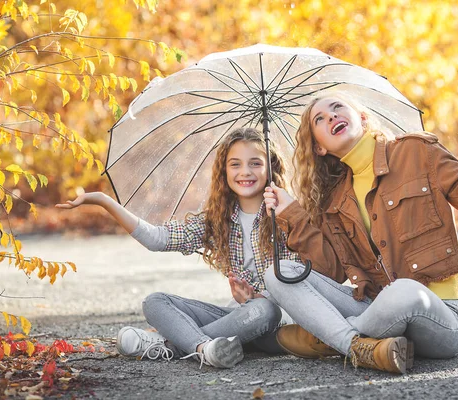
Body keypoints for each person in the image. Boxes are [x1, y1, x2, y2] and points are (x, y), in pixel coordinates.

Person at [263, 93, 458, 374]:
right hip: (378, 310)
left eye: (338, 107)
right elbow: (330, 270)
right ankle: (355, 345)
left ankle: (329, 338)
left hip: (442, 317)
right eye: (320, 119)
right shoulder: (333, 200)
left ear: (362, 118)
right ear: (319, 148)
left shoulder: (415, 152)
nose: (332, 117)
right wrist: (292, 214)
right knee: (278, 273)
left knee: (402, 290)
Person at [57, 127, 302, 368]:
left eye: (255, 163)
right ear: (224, 171)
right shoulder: (218, 220)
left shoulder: (288, 215)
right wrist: (104, 201)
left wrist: (258, 298)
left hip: (279, 325)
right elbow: (157, 239)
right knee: (155, 302)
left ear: (271, 167)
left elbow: (303, 284)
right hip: (237, 320)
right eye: (235, 164)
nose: (245, 172)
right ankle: (205, 349)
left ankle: (169, 344)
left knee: (264, 309)